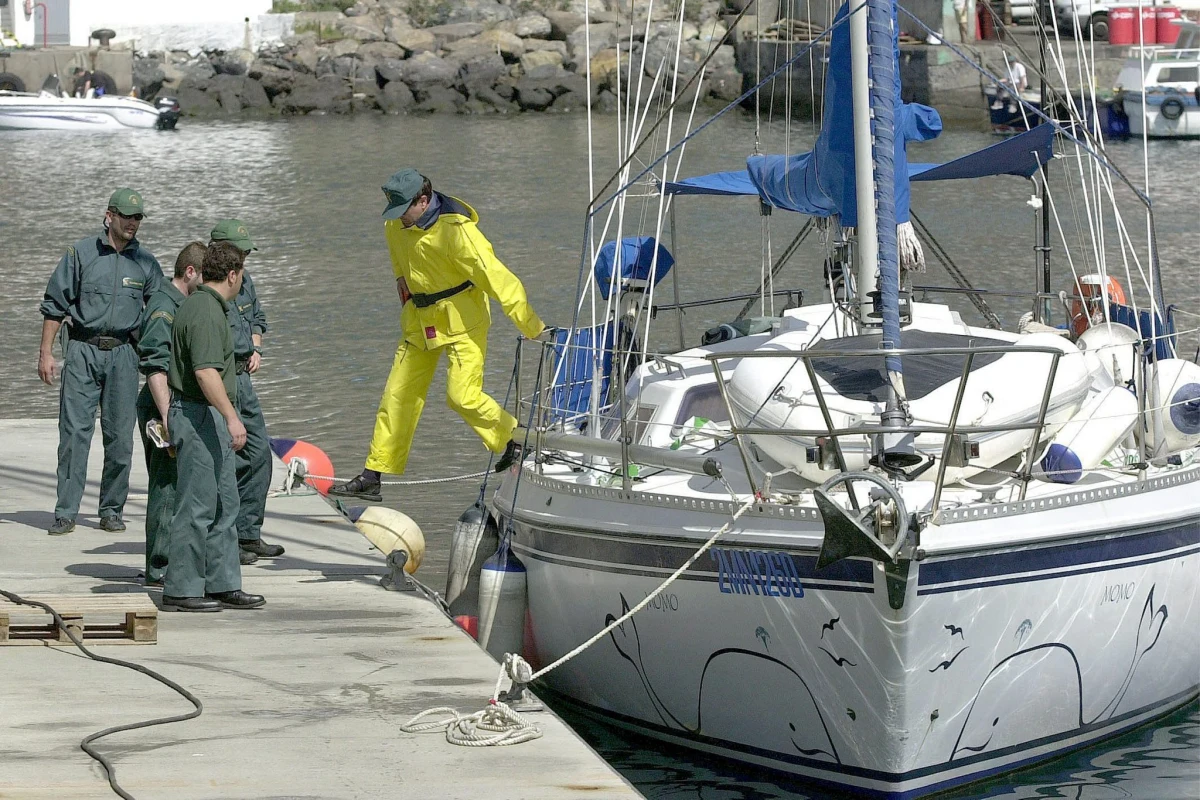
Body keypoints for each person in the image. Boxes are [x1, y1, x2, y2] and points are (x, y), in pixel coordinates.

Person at [330, 169, 550, 501]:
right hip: (419, 321)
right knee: (396, 397)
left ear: (423, 200)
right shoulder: (396, 222)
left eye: (404, 210)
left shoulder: (459, 234)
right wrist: (401, 282)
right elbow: (398, 256)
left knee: (461, 396)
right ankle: (373, 475)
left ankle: (513, 439)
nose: (398, 219)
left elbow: (501, 281)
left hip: (464, 321)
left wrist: (532, 327)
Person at [39, 188, 163, 536]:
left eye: (137, 218)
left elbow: (159, 313)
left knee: (121, 438)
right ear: (109, 216)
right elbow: (54, 306)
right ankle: (66, 512)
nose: (132, 224)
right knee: (74, 435)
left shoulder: (147, 263)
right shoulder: (80, 253)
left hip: (124, 354)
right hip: (82, 350)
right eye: (126, 216)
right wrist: (46, 353)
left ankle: (111, 509)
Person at [161, 241, 265, 612]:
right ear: (233, 275)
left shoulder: (213, 306)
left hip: (210, 416)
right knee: (197, 504)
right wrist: (232, 417)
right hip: (197, 414)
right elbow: (205, 372)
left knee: (225, 501)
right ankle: (182, 587)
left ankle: (222, 583)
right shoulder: (204, 310)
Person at [210, 220, 285, 560]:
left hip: (245, 378)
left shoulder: (245, 281)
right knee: (225, 461)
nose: (245, 261)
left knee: (258, 456)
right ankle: (226, 538)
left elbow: (257, 317)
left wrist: (256, 346)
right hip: (221, 379)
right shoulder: (207, 288)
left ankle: (248, 533)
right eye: (240, 254)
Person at [135, 242, 205, 586]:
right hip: (159, 406)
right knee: (166, 486)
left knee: (176, 486)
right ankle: (159, 566)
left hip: (172, 404)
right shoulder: (165, 307)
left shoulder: (181, 303)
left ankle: (170, 559)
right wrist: (168, 419)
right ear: (189, 272)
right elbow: (155, 367)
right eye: (203, 278)